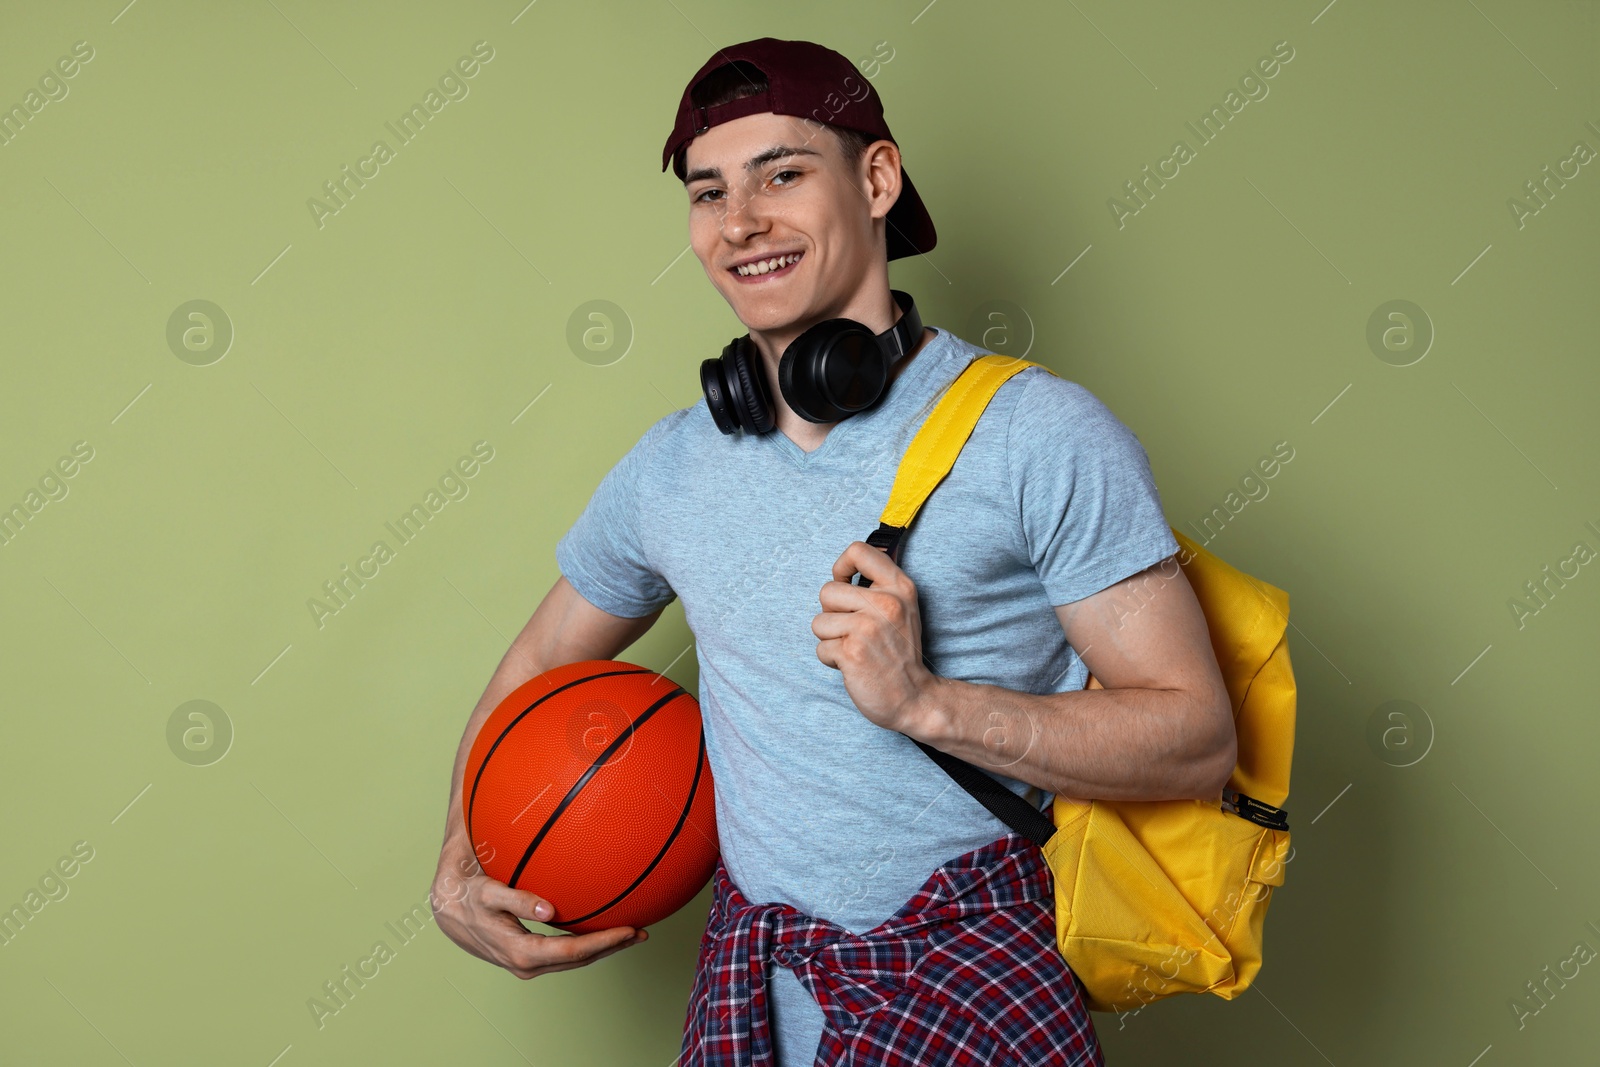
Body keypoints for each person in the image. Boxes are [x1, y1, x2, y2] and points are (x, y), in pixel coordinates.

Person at [432, 36, 1236, 1067]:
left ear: (876, 179)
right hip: (751, 987)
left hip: (971, 986)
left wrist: (926, 704)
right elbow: (541, 662)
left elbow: (1193, 733)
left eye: (783, 174)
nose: (740, 222)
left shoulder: (1040, 434)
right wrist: (461, 856)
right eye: (708, 192)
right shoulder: (671, 467)